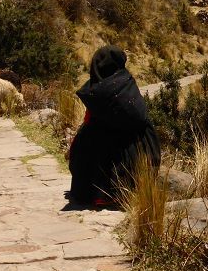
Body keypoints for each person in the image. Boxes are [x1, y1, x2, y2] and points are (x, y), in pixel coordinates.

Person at [67, 45, 160, 206]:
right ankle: (120, 193)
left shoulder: (94, 90)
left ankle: (94, 193)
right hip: (130, 147)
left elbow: (88, 119)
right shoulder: (126, 83)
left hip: (97, 147)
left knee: (87, 142)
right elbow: (140, 116)